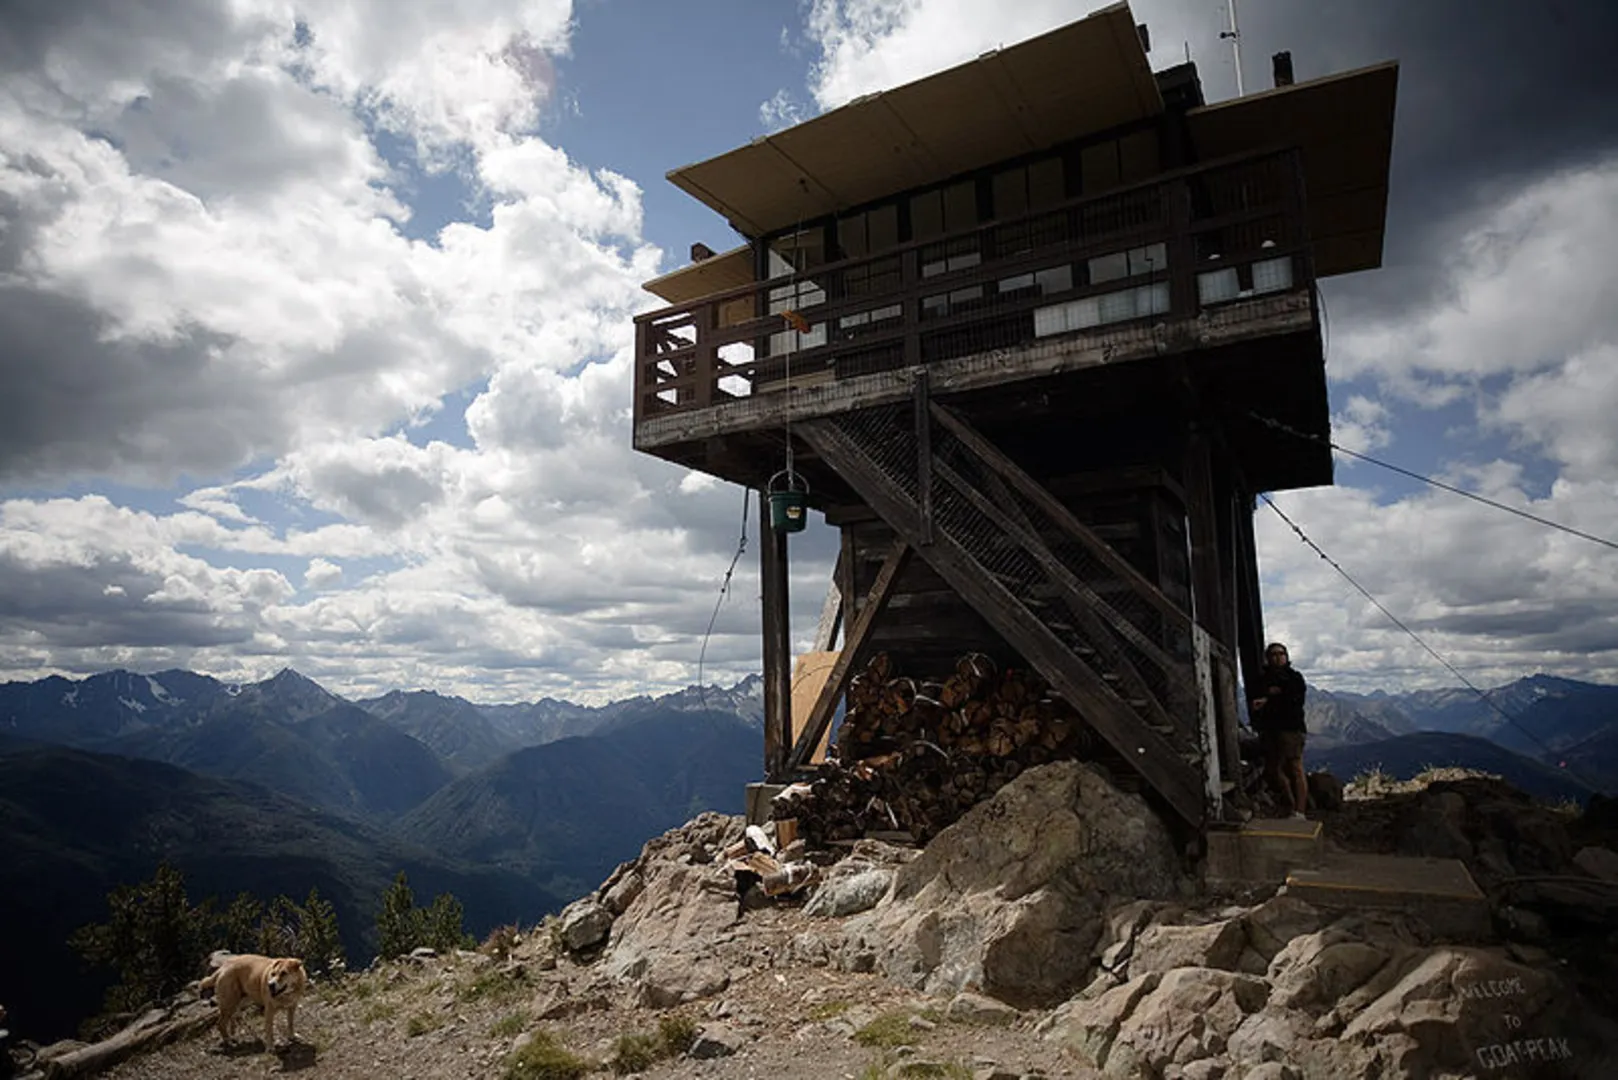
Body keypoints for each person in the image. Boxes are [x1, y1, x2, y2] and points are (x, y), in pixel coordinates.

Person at [1249, 642, 1308, 819]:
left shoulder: (1294, 677)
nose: (1278, 657)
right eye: (1273, 654)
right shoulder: (1263, 680)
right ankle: (1291, 804)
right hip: (1270, 730)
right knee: (1274, 768)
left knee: (1295, 766)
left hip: (1291, 729)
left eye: (1281, 653)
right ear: (1268, 658)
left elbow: (1295, 701)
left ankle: (1300, 810)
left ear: (1287, 656)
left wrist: (1270, 699)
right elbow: (1256, 700)